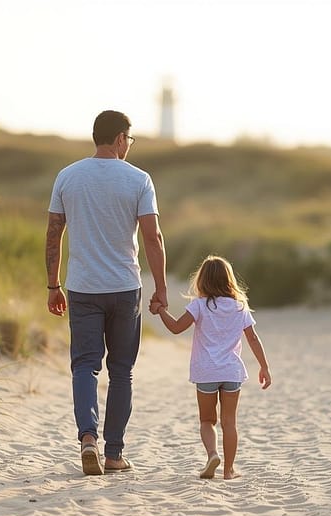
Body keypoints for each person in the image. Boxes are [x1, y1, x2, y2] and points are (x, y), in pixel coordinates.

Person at [45, 110, 168, 476]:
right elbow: (152, 237)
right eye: (129, 139)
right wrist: (161, 289)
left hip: (82, 287)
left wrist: (53, 285)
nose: (129, 145)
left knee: (84, 365)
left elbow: (54, 233)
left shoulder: (67, 176)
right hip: (125, 288)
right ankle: (113, 454)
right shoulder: (139, 180)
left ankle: (87, 439)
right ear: (119, 139)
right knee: (121, 372)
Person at [151, 255, 271, 480]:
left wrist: (160, 311)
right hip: (231, 372)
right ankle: (229, 470)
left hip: (206, 371)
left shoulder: (199, 305)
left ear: (202, 280)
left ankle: (213, 454)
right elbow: (253, 338)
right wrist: (264, 366)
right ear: (229, 280)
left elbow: (177, 328)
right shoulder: (239, 306)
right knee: (229, 422)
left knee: (207, 420)